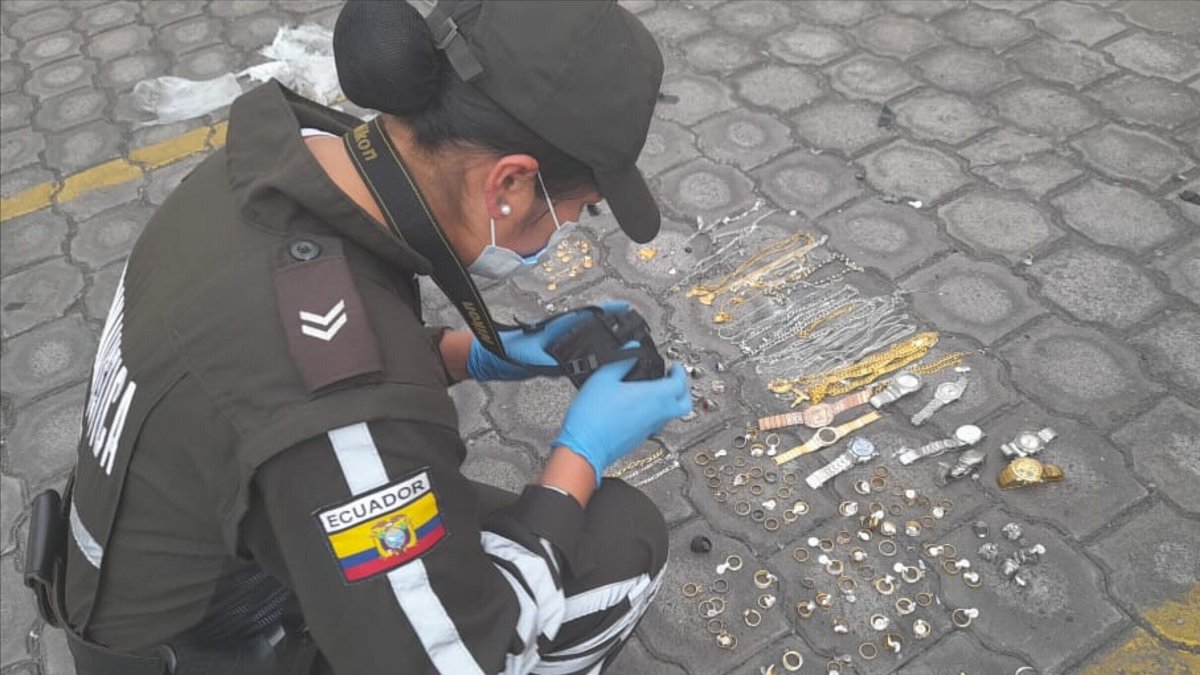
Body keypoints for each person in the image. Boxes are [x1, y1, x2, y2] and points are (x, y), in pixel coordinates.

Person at [27, 1, 691, 673]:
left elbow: (284, 361)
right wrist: (580, 451)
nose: (565, 229)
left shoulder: (264, 175)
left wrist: (481, 356)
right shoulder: (344, 407)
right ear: (510, 185)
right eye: (578, 210)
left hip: (164, 575)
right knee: (618, 540)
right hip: (210, 648)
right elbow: (461, 658)